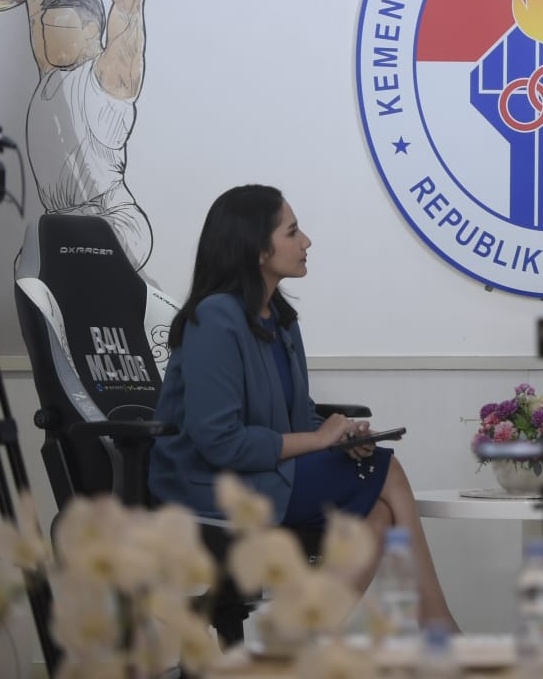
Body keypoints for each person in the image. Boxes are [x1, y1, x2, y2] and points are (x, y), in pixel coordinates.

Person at [147, 184, 457, 628]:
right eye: (293, 232)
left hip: (262, 474)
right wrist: (316, 439)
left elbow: (292, 417)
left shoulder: (280, 320)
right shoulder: (214, 319)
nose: (306, 241)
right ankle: (438, 623)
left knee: (378, 513)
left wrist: (337, 438)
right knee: (385, 471)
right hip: (210, 483)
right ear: (256, 249)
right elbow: (219, 442)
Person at [18, 0, 152, 276]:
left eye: (60, 29)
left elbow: (128, 4)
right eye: (46, 29)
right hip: (60, 224)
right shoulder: (51, 73)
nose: (47, 38)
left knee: (71, 278)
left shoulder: (110, 78)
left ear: (92, 30)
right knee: (27, 276)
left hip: (111, 221)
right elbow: (35, 2)